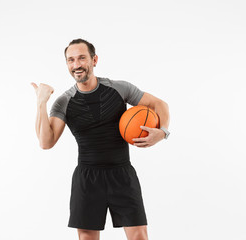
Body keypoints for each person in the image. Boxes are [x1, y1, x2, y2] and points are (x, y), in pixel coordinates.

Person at [31, 38, 170, 240]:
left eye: (81, 58)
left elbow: (160, 104)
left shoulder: (119, 88)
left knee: (139, 235)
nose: (76, 65)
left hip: (122, 174)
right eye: (71, 60)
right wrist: (41, 102)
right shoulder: (64, 102)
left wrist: (163, 132)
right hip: (87, 179)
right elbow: (46, 142)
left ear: (94, 60)